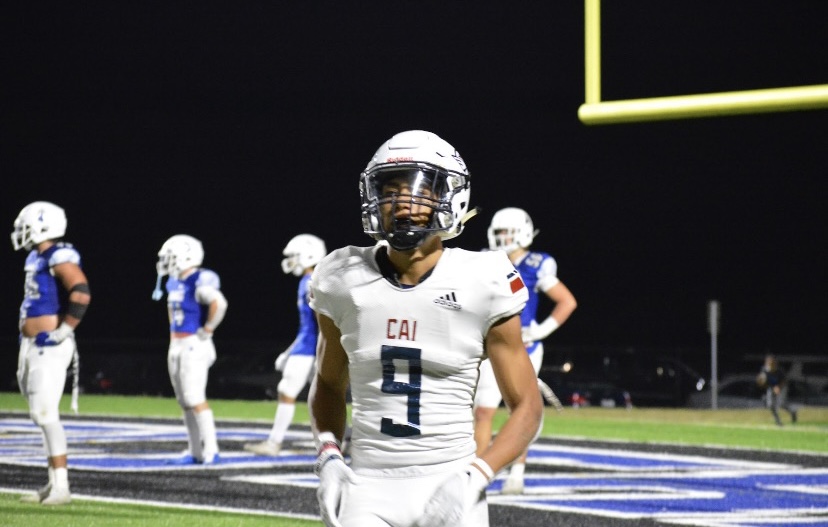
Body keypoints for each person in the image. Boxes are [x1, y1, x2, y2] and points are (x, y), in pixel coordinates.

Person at [308, 130, 543, 527]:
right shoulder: (340, 277)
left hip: (450, 480)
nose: (403, 202)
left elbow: (528, 407)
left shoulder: (484, 279)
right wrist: (328, 456)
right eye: (390, 190)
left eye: (419, 190)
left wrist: (475, 477)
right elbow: (328, 385)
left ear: (450, 197)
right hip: (367, 486)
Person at [473, 207, 578, 494]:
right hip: (491, 344)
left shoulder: (535, 264)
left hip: (524, 347)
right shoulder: (486, 260)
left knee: (519, 411)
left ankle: (517, 472)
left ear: (523, 233)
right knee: (483, 411)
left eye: (507, 232)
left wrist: (539, 331)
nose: (502, 238)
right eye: (498, 232)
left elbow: (567, 301)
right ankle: (477, 474)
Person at [12, 201, 91, 505]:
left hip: (50, 346)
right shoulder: (36, 256)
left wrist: (64, 330)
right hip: (32, 345)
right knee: (40, 415)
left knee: (46, 414)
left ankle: (62, 487)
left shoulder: (59, 255)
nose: (20, 230)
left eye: (25, 225)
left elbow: (81, 291)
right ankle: (52, 483)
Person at [244, 234, 327, 456]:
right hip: (307, 346)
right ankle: (340, 439)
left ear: (307, 255)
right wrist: (290, 351)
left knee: (289, 391)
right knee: (320, 398)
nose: (290, 261)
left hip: (310, 348)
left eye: (294, 256)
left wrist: (323, 352)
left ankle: (274, 443)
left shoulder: (311, 282)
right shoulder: (308, 281)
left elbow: (321, 322)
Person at [153, 234, 228, 464]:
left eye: (170, 257)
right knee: (184, 401)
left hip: (194, 345)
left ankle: (212, 450)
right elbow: (172, 311)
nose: (166, 261)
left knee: (195, 398)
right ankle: (194, 451)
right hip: (177, 344)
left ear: (185, 256)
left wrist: (208, 328)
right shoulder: (173, 281)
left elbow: (219, 303)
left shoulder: (199, 279)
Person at [756, 353, 798, 426]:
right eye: (768, 362)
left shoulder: (779, 370)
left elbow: (784, 381)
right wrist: (761, 382)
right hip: (771, 387)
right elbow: (763, 382)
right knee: (770, 405)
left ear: (774, 363)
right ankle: (778, 421)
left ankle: (792, 412)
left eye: (771, 362)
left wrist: (778, 387)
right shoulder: (764, 370)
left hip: (782, 387)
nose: (770, 363)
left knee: (781, 404)